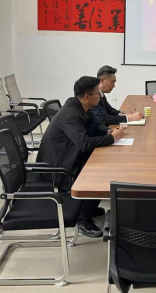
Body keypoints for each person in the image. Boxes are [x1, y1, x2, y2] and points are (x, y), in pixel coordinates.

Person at [37, 76, 126, 238]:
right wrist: (112, 138)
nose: (100, 96)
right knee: (98, 172)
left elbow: (94, 124)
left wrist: (107, 131)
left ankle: (89, 208)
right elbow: (84, 143)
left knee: (103, 162)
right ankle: (82, 218)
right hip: (58, 166)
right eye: (97, 94)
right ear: (86, 97)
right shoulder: (72, 115)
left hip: (69, 153)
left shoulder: (79, 105)